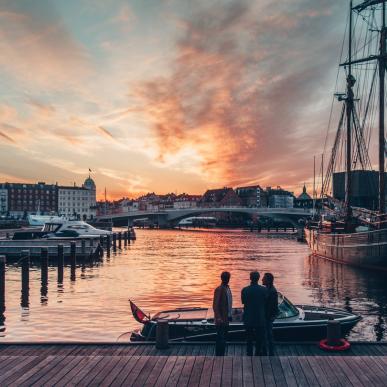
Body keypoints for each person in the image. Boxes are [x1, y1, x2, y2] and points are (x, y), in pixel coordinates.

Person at [241, 271, 268, 356]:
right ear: (258, 278)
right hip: (260, 318)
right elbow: (266, 302)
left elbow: (243, 301)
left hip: (248, 318)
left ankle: (249, 354)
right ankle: (257, 354)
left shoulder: (245, 290)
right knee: (259, 339)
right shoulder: (264, 290)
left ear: (250, 278)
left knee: (249, 339)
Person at [213, 271, 232, 356]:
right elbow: (215, 305)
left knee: (224, 338)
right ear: (222, 278)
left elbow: (228, 303)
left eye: (227, 278)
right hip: (221, 320)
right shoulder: (219, 289)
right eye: (225, 278)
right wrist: (218, 318)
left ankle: (222, 355)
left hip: (226, 318)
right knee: (220, 338)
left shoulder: (227, 288)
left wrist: (230, 314)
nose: (227, 279)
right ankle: (219, 356)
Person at [262, 272, 278, 356]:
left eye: (264, 278)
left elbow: (273, 306)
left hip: (267, 317)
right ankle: (266, 351)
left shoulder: (272, 291)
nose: (262, 279)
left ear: (268, 280)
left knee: (268, 334)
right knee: (267, 334)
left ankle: (270, 353)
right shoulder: (268, 289)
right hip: (266, 316)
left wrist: (272, 316)